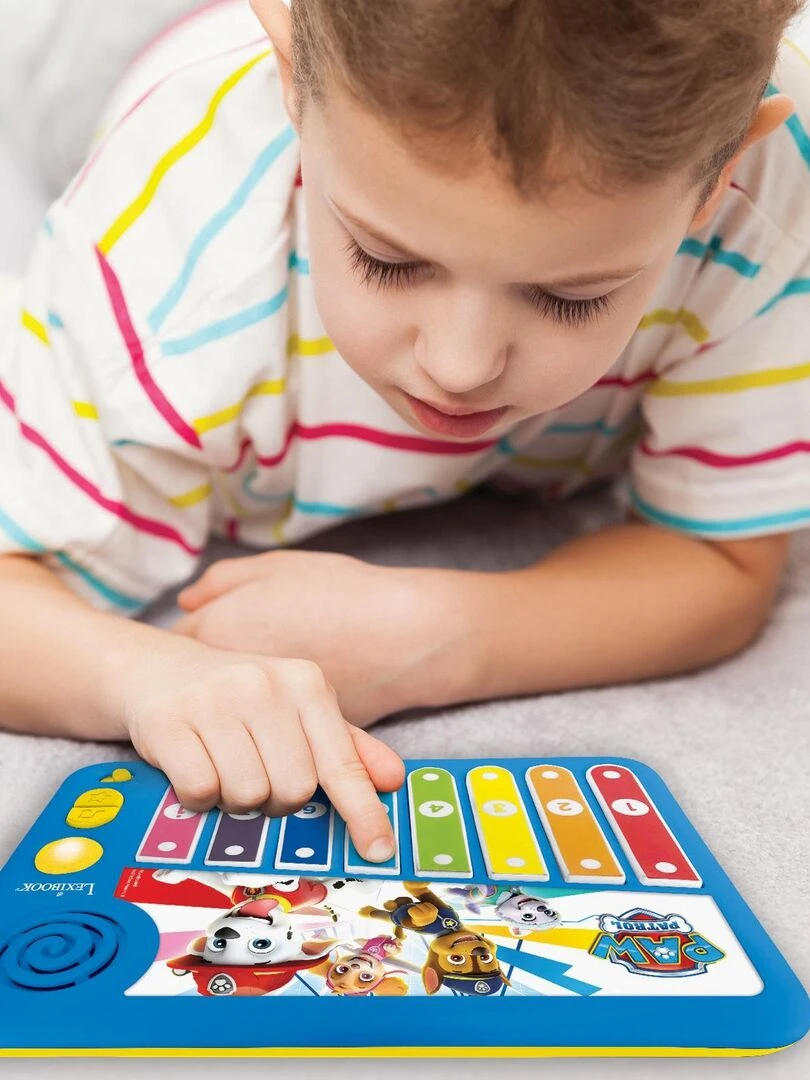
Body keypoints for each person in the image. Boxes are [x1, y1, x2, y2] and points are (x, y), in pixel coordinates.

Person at [0, 0, 807, 863]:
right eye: (386, 259)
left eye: (573, 296)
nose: (460, 367)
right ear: (292, 87)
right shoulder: (162, 257)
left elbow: (723, 558)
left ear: (724, 172)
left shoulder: (773, 192)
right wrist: (142, 676)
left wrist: (438, 634)